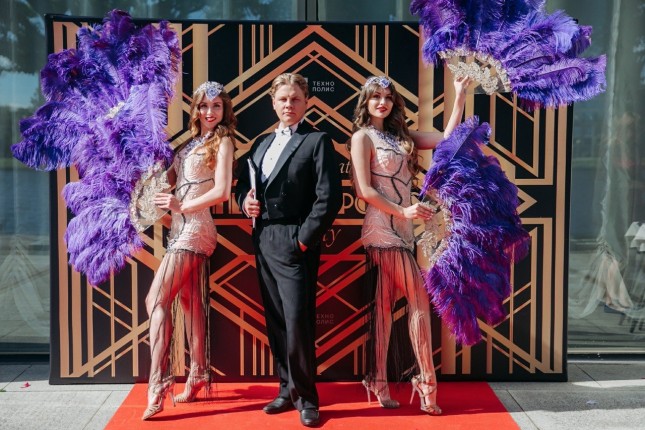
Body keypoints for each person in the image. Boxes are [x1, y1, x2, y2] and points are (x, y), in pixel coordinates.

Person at [348, 75, 471, 415]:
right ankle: (427, 381)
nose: (382, 102)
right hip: (380, 227)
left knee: (385, 304)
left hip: (404, 230)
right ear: (366, 101)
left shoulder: (402, 137)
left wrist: (459, 95)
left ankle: (377, 379)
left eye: (388, 97)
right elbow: (364, 191)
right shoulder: (362, 137)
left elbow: (447, 139)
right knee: (418, 298)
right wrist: (403, 210)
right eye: (375, 97)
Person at [235, 73, 342, 427]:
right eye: (282, 99)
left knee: (298, 321)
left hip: (294, 240)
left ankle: (307, 399)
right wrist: (244, 202)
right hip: (262, 237)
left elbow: (329, 198)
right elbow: (242, 186)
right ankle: (286, 389)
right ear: (273, 102)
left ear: (306, 102)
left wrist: (302, 240)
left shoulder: (317, 140)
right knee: (277, 320)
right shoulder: (261, 143)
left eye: (295, 98)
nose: (289, 105)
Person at [142, 81, 236, 420]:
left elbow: (222, 191)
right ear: (195, 109)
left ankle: (158, 382)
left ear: (224, 110)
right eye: (204, 106)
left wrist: (181, 206)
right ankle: (197, 374)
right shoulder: (187, 144)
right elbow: (164, 185)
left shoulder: (223, 142)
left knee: (156, 300)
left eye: (216, 106)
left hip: (196, 230)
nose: (210, 112)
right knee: (189, 303)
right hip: (179, 230)